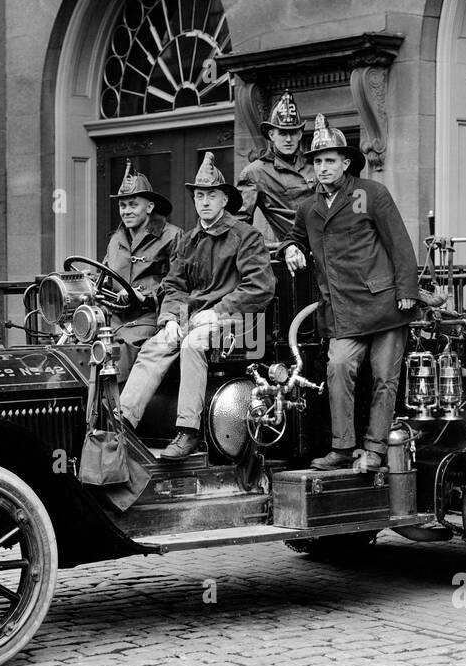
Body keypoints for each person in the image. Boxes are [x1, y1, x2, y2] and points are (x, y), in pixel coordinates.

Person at [283, 115, 419, 472]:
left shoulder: (371, 193)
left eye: (330, 160)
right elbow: (295, 236)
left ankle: (374, 449)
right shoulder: (308, 207)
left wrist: (407, 289)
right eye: (317, 161)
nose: (323, 168)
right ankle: (342, 448)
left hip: (386, 304)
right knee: (338, 367)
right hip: (342, 311)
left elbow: (400, 244)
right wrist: (290, 249)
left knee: (384, 380)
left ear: (346, 163)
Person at [118, 153, 274, 460]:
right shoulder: (188, 241)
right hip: (192, 319)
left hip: (242, 322)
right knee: (155, 345)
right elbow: (174, 286)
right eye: (199, 196)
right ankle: (122, 424)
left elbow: (260, 288)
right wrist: (171, 319)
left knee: (192, 344)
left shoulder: (246, 237)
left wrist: (216, 312)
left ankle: (188, 432)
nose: (204, 202)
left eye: (211, 195)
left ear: (224, 200)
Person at [102, 161, 181, 383]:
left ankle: (117, 413)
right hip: (114, 315)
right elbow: (105, 276)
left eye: (133, 205)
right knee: (79, 344)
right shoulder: (116, 239)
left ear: (149, 207)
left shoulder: (172, 236)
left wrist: (146, 296)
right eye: (122, 206)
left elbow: (179, 284)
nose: (126, 211)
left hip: (148, 318)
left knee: (119, 348)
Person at [235, 90, 313, 240]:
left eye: (293, 132)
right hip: (291, 251)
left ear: (300, 134)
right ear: (271, 135)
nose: (289, 139)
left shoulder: (315, 165)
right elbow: (240, 222)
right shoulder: (256, 172)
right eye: (283, 133)